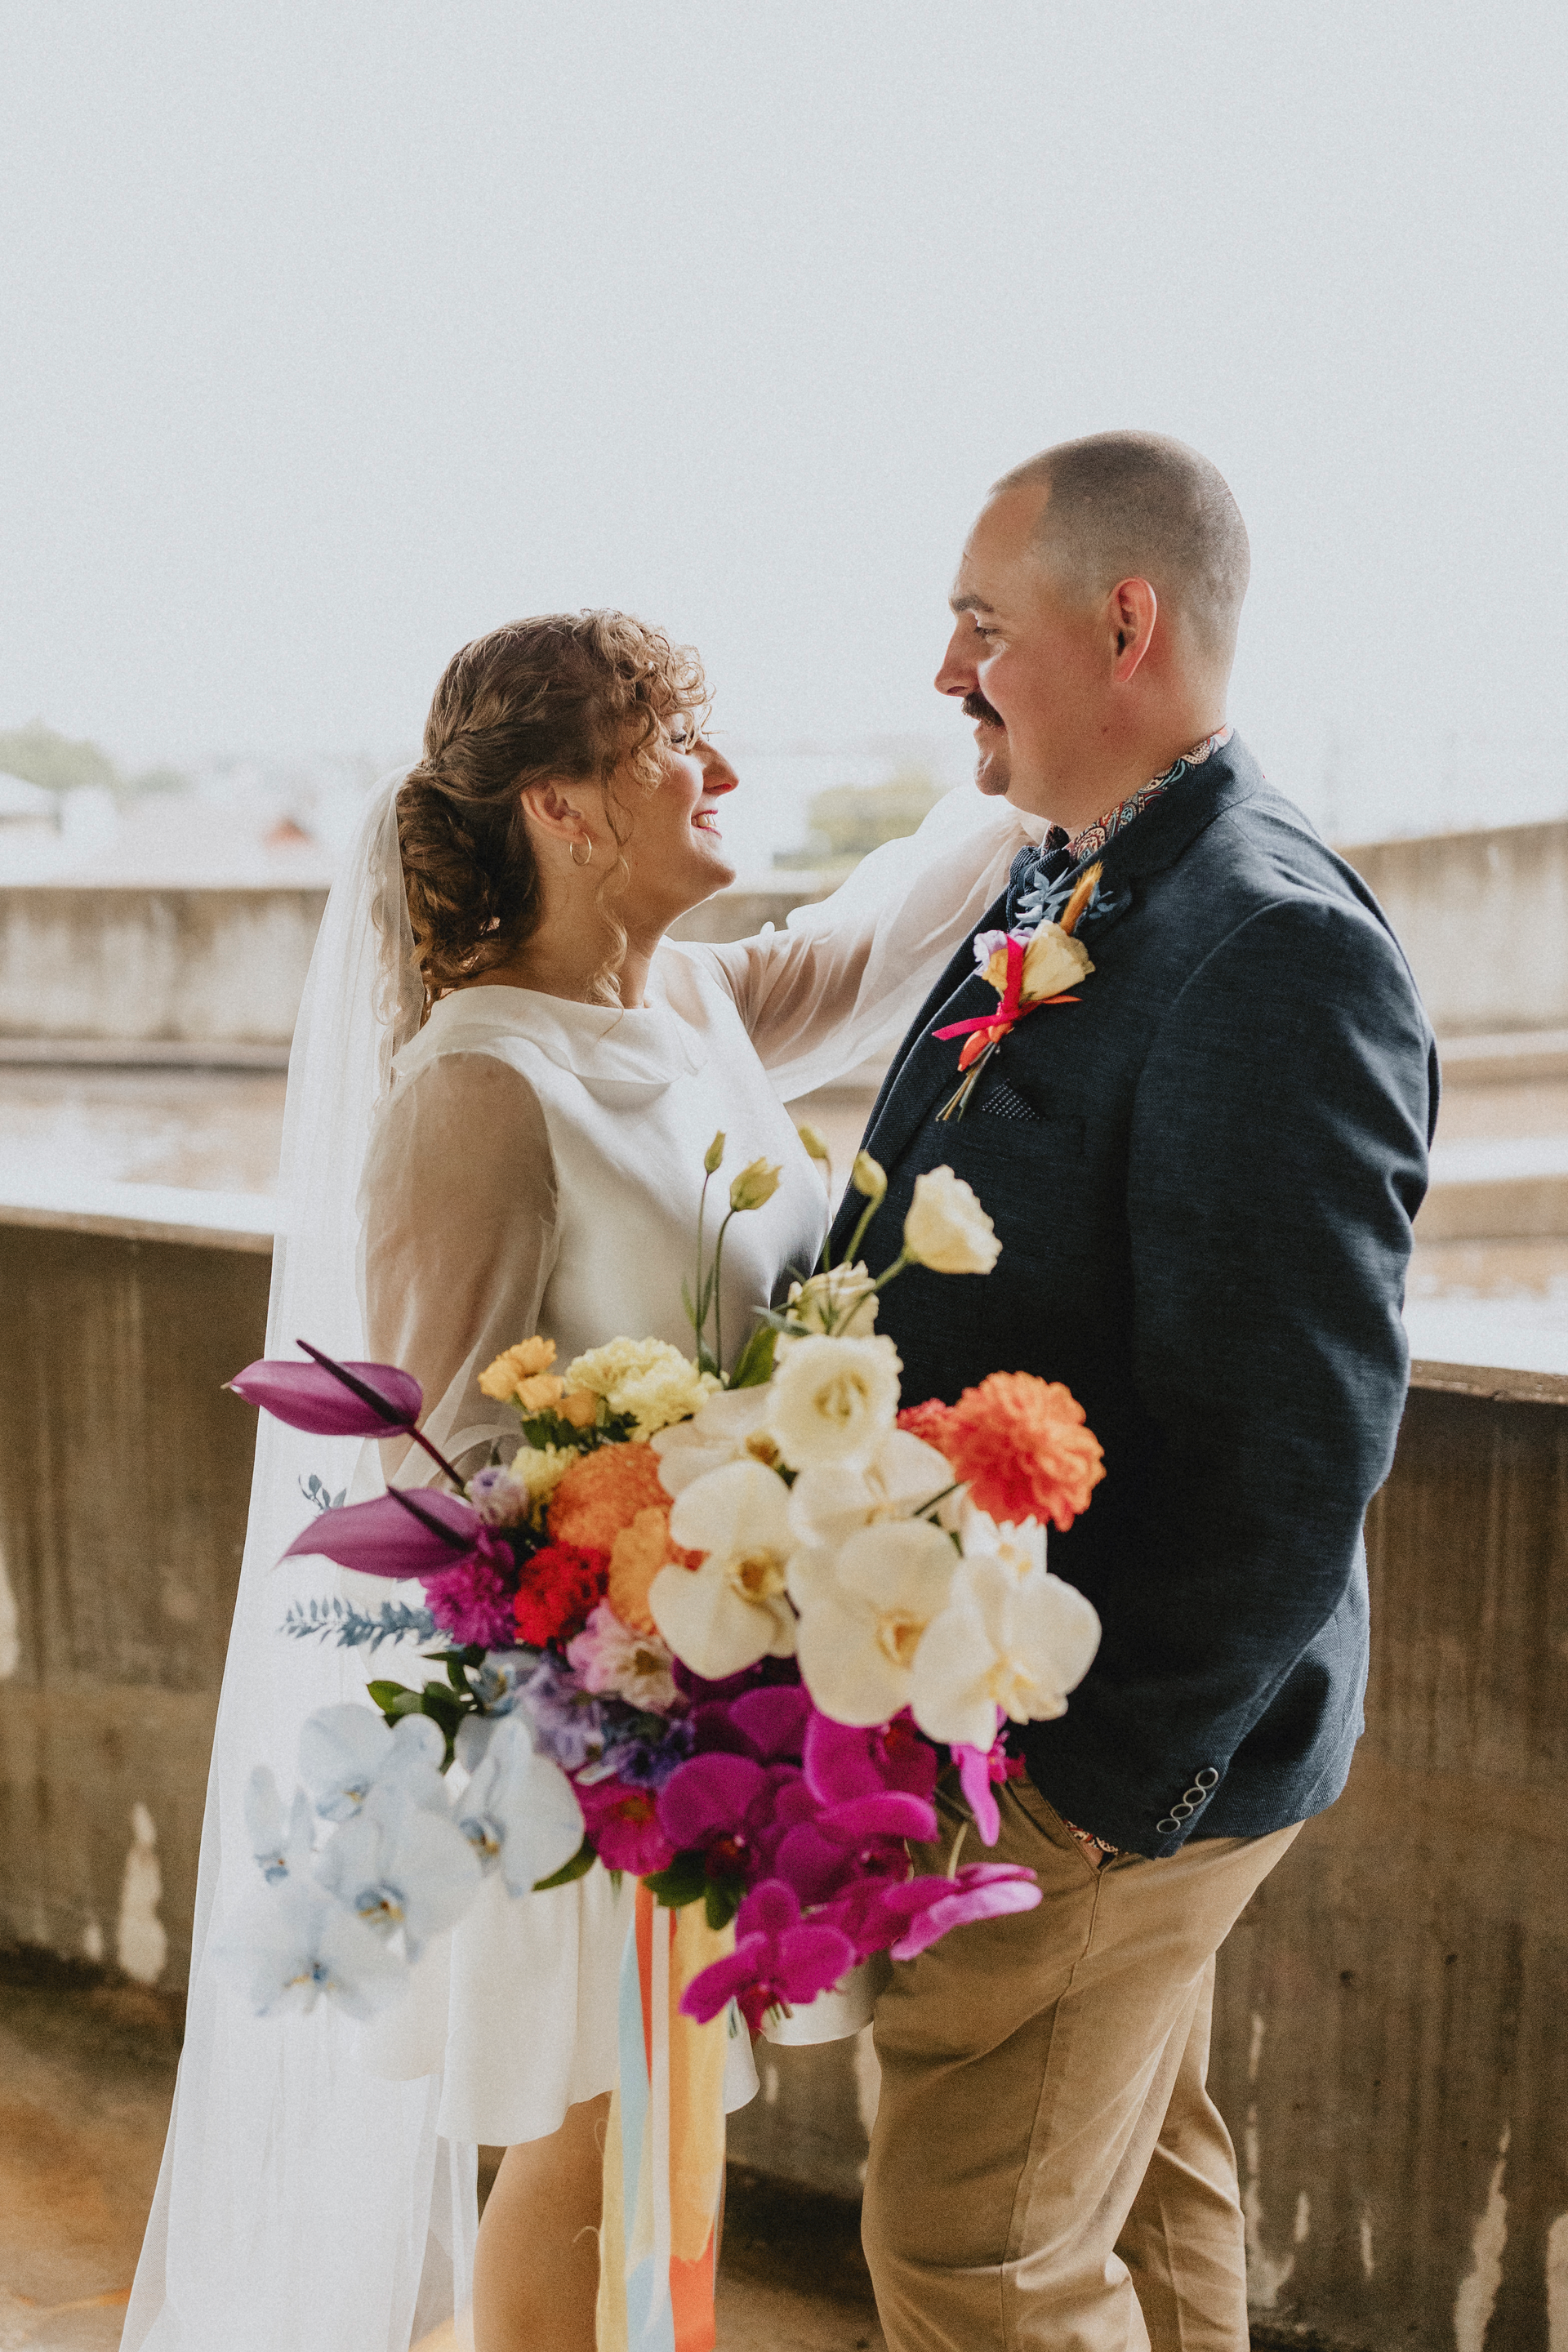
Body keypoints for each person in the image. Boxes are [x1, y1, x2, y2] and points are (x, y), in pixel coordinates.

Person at [122, 609, 1045, 2352]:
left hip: (736, 1709)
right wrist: (663, 1587)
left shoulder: (689, 1000)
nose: (727, 775)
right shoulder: (476, 1086)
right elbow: (452, 1452)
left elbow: (865, 947)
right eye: (680, 744)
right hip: (587, 1730)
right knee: (587, 2144)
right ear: (566, 808)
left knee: (669, 2136)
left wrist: (1040, 773)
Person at [839, 433, 1437, 2352]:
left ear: (1123, 621)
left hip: (1106, 1749)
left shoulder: (1271, 945)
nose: (946, 671)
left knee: (978, 2256)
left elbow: (1293, 1447)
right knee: (1137, 2181)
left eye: (977, 624)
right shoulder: (1074, 881)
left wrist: (1094, 1802)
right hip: (1039, 1708)